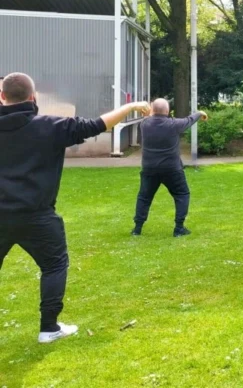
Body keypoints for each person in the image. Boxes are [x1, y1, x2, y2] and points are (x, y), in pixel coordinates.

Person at [0, 72, 150, 343]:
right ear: (33, 98)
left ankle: (50, 328)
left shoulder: (47, 125)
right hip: (37, 216)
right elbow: (98, 125)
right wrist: (130, 107)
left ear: (2, 97)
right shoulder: (50, 126)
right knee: (55, 265)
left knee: (54, 264)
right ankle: (48, 328)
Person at [132, 99, 208, 237]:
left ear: (152, 110)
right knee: (182, 194)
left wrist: (150, 112)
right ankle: (179, 228)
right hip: (172, 169)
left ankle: (137, 229)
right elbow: (189, 120)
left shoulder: (144, 124)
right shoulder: (173, 124)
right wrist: (200, 113)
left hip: (149, 168)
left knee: (144, 197)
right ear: (167, 112)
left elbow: (150, 116)